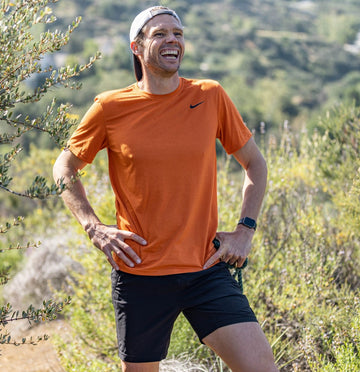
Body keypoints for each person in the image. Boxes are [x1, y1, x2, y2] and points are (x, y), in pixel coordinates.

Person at [53, 6, 279, 372]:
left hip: (205, 268)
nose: (173, 39)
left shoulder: (211, 95)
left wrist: (245, 230)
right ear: (137, 47)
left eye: (178, 33)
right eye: (160, 34)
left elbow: (255, 164)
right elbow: (63, 167)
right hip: (140, 274)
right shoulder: (110, 108)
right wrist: (94, 227)